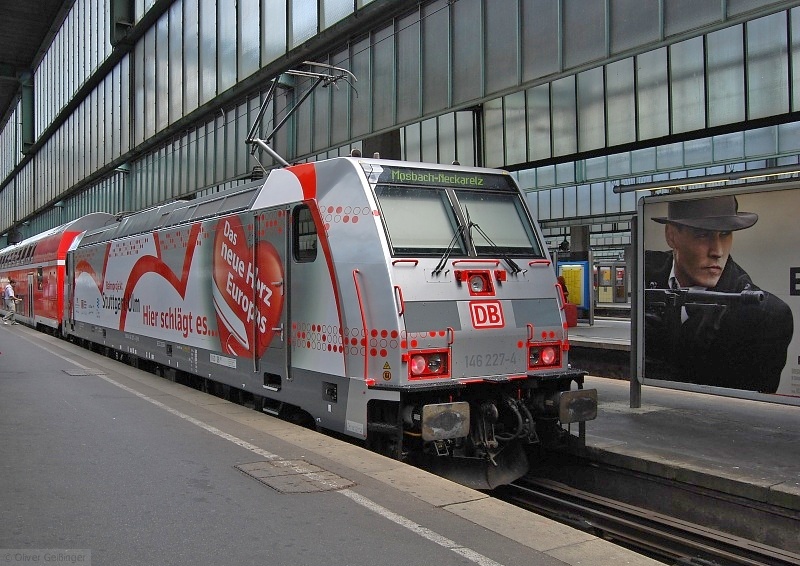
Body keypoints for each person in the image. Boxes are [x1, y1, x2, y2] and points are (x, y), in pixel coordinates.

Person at [644, 195, 793, 394]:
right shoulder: (644, 271)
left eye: (725, 234)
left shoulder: (764, 317)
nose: (717, 251)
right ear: (672, 236)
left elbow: (744, 408)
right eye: (702, 235)